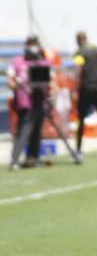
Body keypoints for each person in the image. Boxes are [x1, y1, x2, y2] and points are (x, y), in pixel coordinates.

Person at [8, 35, 54, 170]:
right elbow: (11, 80)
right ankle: (15, 160)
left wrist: (51, 95)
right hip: (25, 101)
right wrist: (17, 85)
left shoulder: (43, 62)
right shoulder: (18, 62)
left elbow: (51, 81)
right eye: (31, 44)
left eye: (35, 44)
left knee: (37, 131)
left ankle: (33, 158)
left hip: (40, 100)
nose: (33, 47)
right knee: (23, 132)